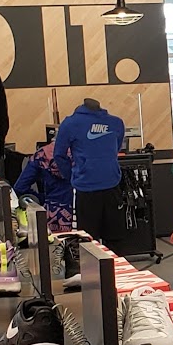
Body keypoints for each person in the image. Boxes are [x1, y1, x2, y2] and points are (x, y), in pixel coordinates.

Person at [52, 98, 125, 244]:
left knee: (112, 238)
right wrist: (73, 176)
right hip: (87, 188)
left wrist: (73, 175)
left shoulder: (116, 123)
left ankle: (115, 260)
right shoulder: (71, 124)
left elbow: (115, 150)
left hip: (110, 186)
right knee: (89, 240)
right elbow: (59, 155)